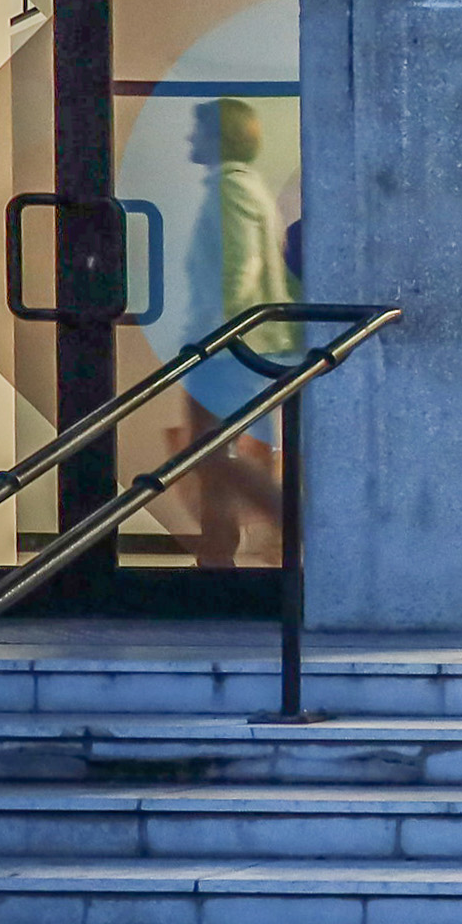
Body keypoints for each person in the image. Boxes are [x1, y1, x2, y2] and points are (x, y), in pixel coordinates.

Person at [176, 97, 292, 570]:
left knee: (210, 454)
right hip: (231, 346)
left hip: (228, 348)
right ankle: (215, 557)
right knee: (211, 455)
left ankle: (295, 523)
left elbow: (239, 269)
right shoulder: (241, 188)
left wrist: (216, 337)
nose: (190, 137)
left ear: (219, 137)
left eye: (198, 129)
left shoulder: (233, 190)